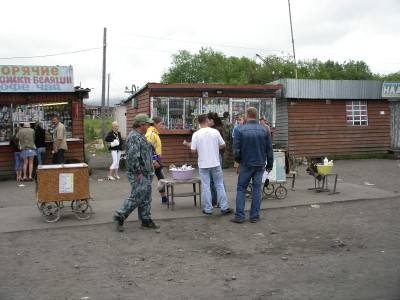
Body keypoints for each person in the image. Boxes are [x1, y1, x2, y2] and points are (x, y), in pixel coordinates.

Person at [113, 114, 159, 232]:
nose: (149, 125)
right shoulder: (134, 137)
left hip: (146, 172)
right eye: (147, 124)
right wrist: (137, 173)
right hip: (138, 173)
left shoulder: (141, 136)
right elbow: (133, 158)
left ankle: (146, 220)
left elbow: (144, 151)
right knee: (137, 196)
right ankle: (120, 216)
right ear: (141, 125)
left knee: (146, 197)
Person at [231, 107, 274, 224]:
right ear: (256, 115)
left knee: (241, 188)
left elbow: (236, 150)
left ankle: (239, 216)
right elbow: (270, 150)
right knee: (256, 189)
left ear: (247, 115)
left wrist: (239, 160)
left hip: (246, 163)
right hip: (260, 163)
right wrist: (270, 164)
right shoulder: (265, 130)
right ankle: (254, 216)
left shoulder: (240, 130)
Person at [190, 114, 233, 216]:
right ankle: (224, 207)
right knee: (219, 184)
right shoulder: (215, 132)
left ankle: (208, 208)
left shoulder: (196, 134)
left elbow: (193, 150)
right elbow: (223, 145)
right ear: (207, 120)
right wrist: (214, 148)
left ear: (198, 122)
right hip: (215, 162)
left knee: (206, 186)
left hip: (203, 164)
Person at [145, 116, 168, 204]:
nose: (161, 126)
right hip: (152, 163)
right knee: (148, 182)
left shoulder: (155, 133)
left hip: (157, 161)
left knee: (161, 179)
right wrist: (153, 162)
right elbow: (147, 149)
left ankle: (164, 199)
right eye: (160, 124)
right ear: (154, 123)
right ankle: (144, 201)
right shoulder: (150, 134)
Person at [207, 112, 226, 208]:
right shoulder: (217, 129)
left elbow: (222, 145)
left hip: (215, 156)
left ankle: (216, 201)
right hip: (217, 156)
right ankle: (219, 201)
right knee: (217, 180)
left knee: (214, 180)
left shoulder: (216, 130)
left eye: (208, 120)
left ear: (211, 120)